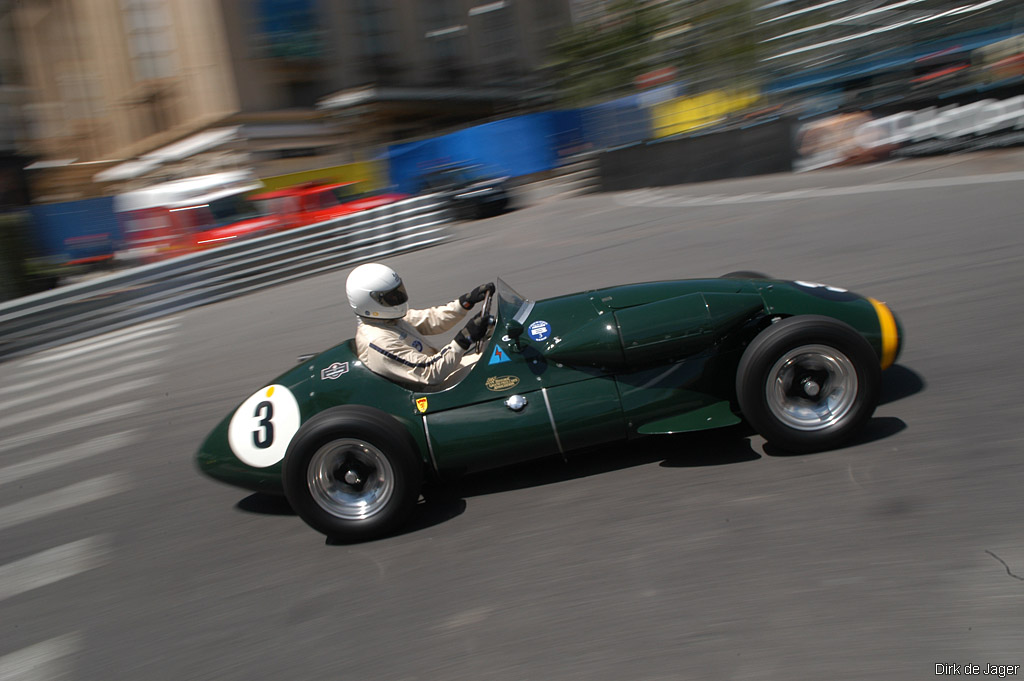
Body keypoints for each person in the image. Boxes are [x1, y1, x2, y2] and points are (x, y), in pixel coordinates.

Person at [346, 262, 494, 389]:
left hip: (445, 373)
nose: (398, 298)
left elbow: (431, 320)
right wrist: (464, 339)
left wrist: (465, 303)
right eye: (391, 297)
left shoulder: (389, 320)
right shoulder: (378, 341)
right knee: (500, 364)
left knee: (500, 344)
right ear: (368, 302)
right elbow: (430, 372)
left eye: (398, 292)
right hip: (434, 391)